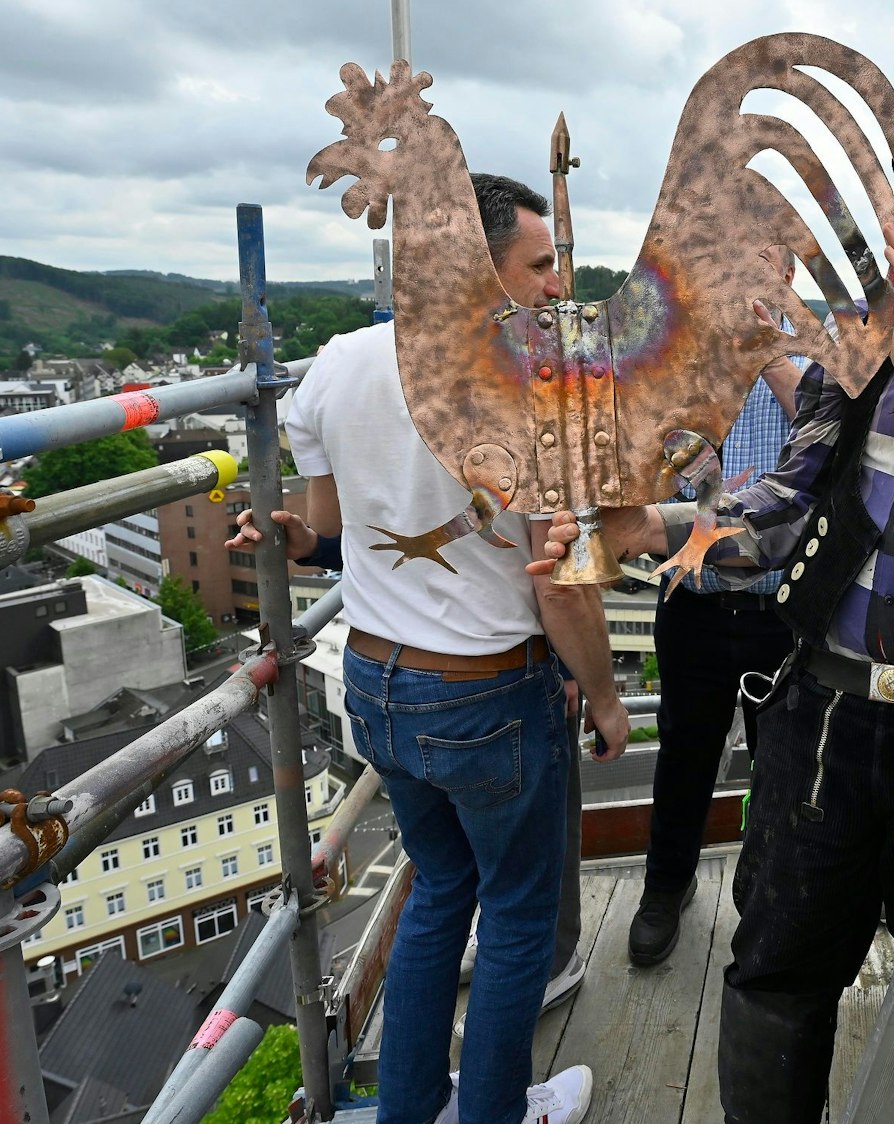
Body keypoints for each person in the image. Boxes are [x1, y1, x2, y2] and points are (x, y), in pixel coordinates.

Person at [538, 47, 894, 1124]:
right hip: (824, 715)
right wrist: (659, 527)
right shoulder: (863, 335)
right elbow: (790, 498)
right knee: (775, 979)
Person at [235, 172, 627, 1124]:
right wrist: (607, 699)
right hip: (485, 693)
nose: (553, 289)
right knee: (521, 920)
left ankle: (412, 1110)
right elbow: (556, 579)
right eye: (539, 266)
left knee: (440, 889)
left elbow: (323, 528)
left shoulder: (334, 365)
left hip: (377, 681)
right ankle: (496, 1112)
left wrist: (286, 538)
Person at [627, 245, 806, 967]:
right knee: (685, 754)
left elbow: (845, 451)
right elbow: (650, 485)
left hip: (783, 610)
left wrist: (771, 358)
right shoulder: (673, 369)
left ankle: (768, 897)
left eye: (764, 265)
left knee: (784, 764)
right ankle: (666, 888)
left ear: (787, 276)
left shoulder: (816, 365)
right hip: (696, 604)